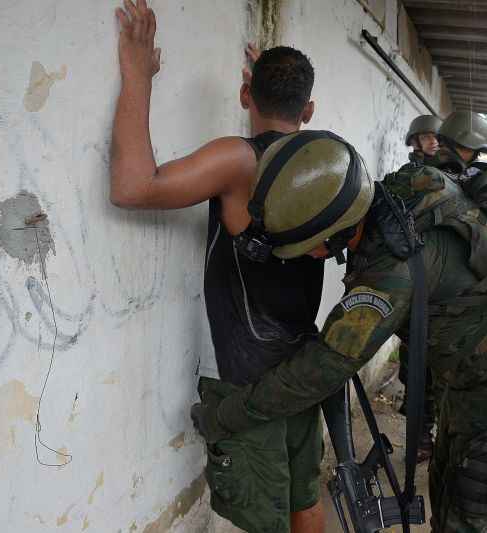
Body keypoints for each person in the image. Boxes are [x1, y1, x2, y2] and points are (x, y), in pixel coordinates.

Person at [195, 117, 487, 532]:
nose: (312, 257)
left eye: (312, 246)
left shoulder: (392, 269)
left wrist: (224, 415)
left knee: (469, 514)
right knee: (447, 489)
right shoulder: (393, 193)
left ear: (339, 230)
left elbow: (324, 368)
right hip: (477, 374)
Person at [110, 2, 325, 531]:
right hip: (304, 367)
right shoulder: (325, 160)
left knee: (260, 519)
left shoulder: (240, 160)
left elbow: (133, 187)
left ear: (244, 95)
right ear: (310, 109)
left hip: (245, 381)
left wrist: (137, 75)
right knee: (304, 500)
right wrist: (270, 84)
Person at [396, 114, 443, 462]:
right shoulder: (408, 179)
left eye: (436, 136)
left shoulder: (456, 174)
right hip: (419, 281)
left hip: (449, 286)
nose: (432, 142)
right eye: (425, 137)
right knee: (416, 369)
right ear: (415, 142)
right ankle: (421, 436)